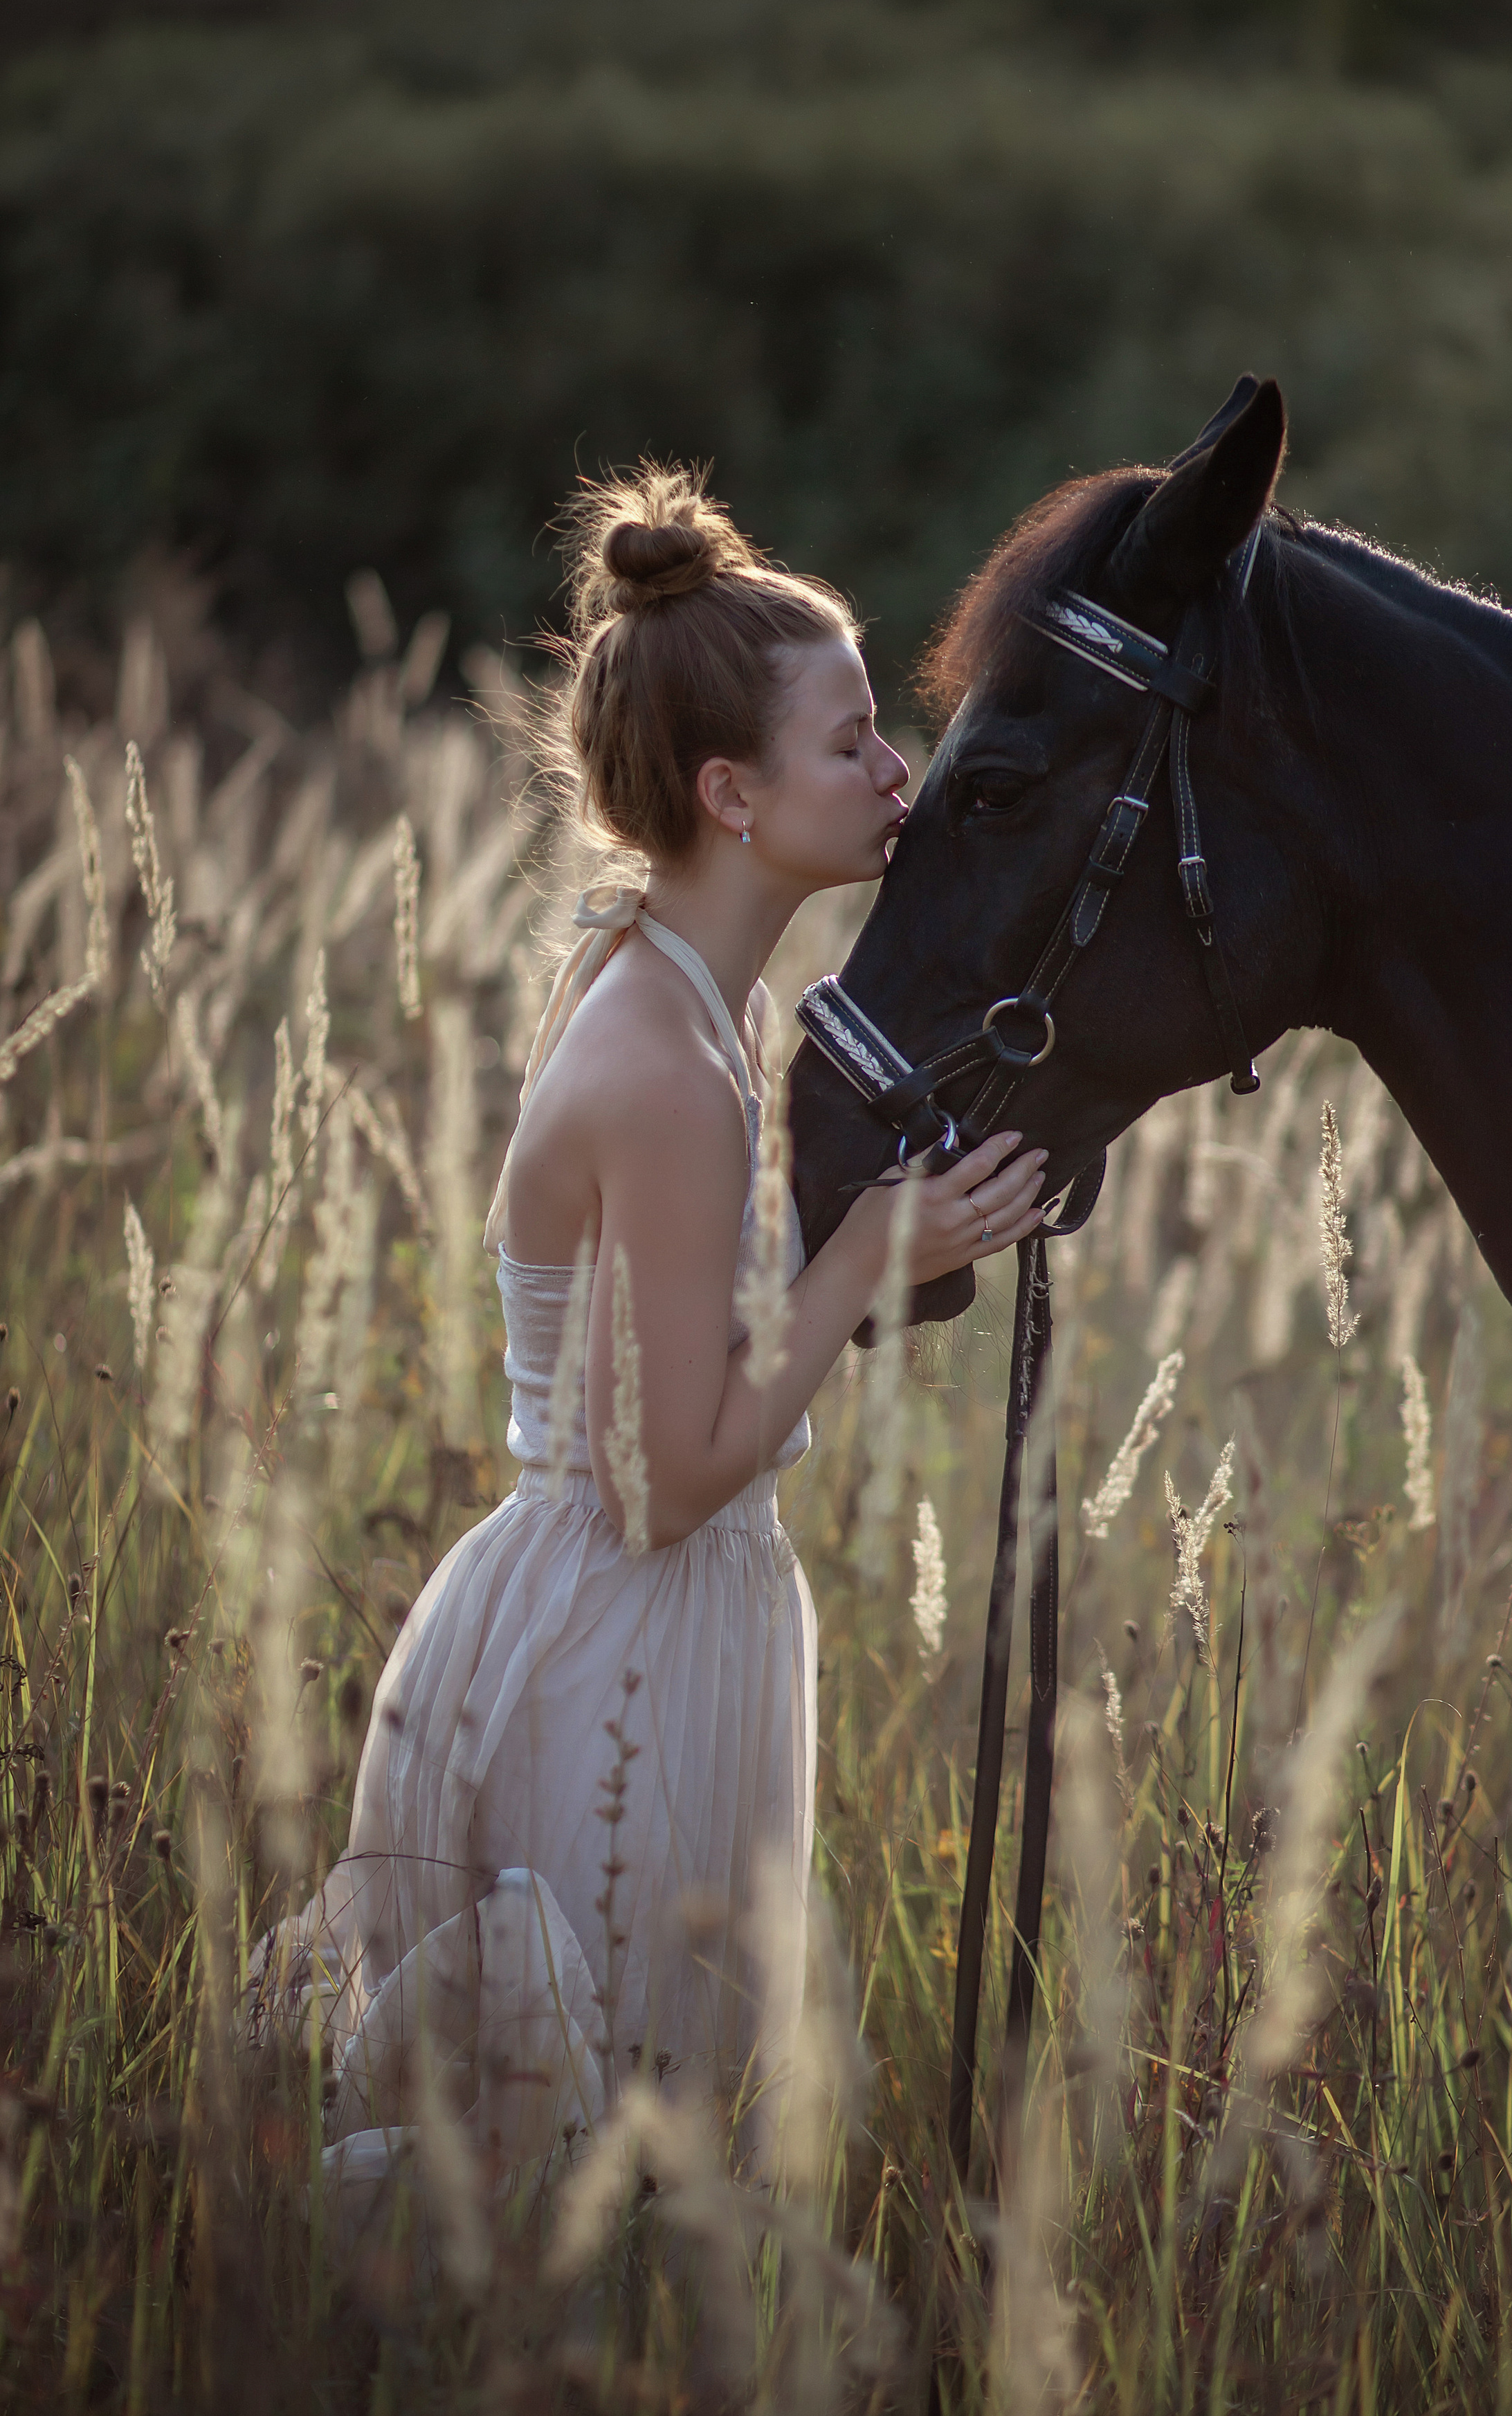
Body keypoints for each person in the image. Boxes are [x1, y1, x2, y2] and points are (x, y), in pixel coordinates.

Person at [246, 466, 1049, 2201]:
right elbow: (666, 1476)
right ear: (729, 794)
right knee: (572, 2173)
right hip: (610, 1654)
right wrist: (867, 1260)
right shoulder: (668, 1066)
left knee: (626, 2165)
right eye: (853, 742)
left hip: (644, 1618)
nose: (899, 775)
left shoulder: (697, 995)